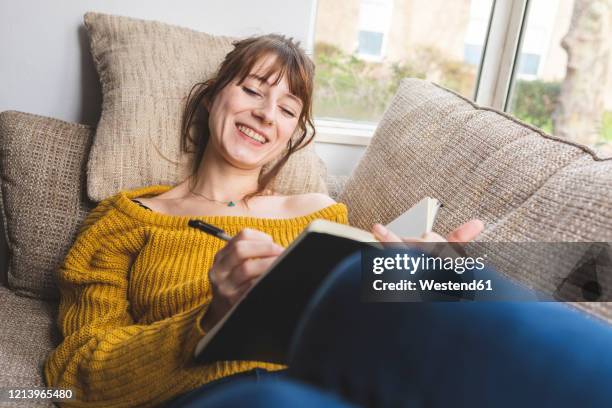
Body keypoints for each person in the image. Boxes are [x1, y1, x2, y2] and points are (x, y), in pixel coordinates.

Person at [43, 34, 483, 407]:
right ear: (213, 95)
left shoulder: (320, 213)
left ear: (291, 135)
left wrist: (433, 285)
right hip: (235, 394)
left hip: (339, 384)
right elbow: (73, 377)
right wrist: (212, 320)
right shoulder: (127, 219)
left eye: (288, 110)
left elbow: (367, 333)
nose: (267, 114)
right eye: (253, 90)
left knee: (512, 326)